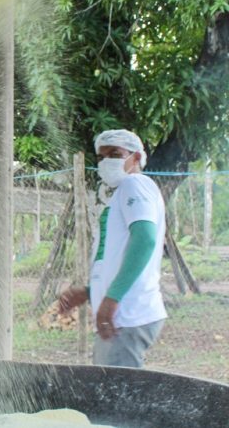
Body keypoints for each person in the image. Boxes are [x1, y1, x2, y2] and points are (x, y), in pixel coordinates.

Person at [59, 129, 167, 368]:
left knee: (116, 395)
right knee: (110, 387)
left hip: (128, 314)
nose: (107, 162)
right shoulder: (123, 193)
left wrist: (112, 298)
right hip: (123, 313)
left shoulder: (134, 184)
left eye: (116, 154)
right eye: (101, 157)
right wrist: (90, 291)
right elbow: (119, 253)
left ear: (137, 158)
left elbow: (145, 240)